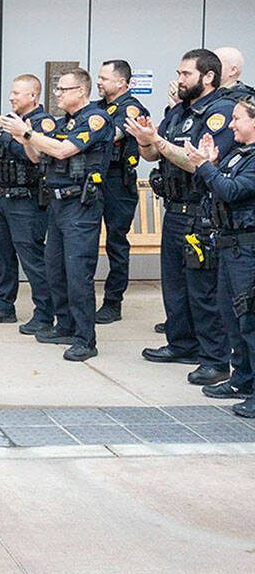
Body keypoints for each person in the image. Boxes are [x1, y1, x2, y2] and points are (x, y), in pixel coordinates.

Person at [126, 49, 236, 385]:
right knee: (174, 286)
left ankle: (215, 360)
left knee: (202, 290)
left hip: (201, 212)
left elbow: (198, 162)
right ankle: (182, 344)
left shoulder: (220, 112)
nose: (179, 79)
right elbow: (152, 153)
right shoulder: (178, 112)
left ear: (208, 77)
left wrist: (156, 141)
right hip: (174, 210)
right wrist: (145, 140)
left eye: (186, 73)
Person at [0, 68, 112, 361]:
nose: (57, 94)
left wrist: (27, 133)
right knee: (55, 270)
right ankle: (64, 326)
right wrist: (26, 138)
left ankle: (86, 339)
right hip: (58, 205)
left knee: (78, 274)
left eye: (63, 89)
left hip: (81, 206)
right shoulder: (64, 122)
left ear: (81, 91)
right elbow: (38, 156)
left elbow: (63, 151)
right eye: (57, 89)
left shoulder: (95, 119)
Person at [0, 74, 54, 333]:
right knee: (3, 257)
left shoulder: (44, 123)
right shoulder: (8, 122)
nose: (11, 97)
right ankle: (5, 306)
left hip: (26, 201)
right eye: (11, 92)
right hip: (0, 198)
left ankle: (44, 313)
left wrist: (10, 135)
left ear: (33, 96)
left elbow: (35, 157)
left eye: (17, 93)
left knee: (32, 259)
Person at [187, 98, 255, 413]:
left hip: (248, 248)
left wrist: (206, 166)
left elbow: (231, 191)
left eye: (238, 119)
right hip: (230, 245)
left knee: (249, 318)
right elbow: (214, 188)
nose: (231, 124)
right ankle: (241, 377)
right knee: (230, 315)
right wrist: (209, 165)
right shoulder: (239, 154)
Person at [93, 59, 150, 324]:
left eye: (104, 78)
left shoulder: (130, 108)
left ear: (122, 82)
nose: (99, 82)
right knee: (85, 240)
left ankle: (113, 302)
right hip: (95, 180)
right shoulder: (99, 106)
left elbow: (109, 134)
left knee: (116, 243)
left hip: (117, 182)